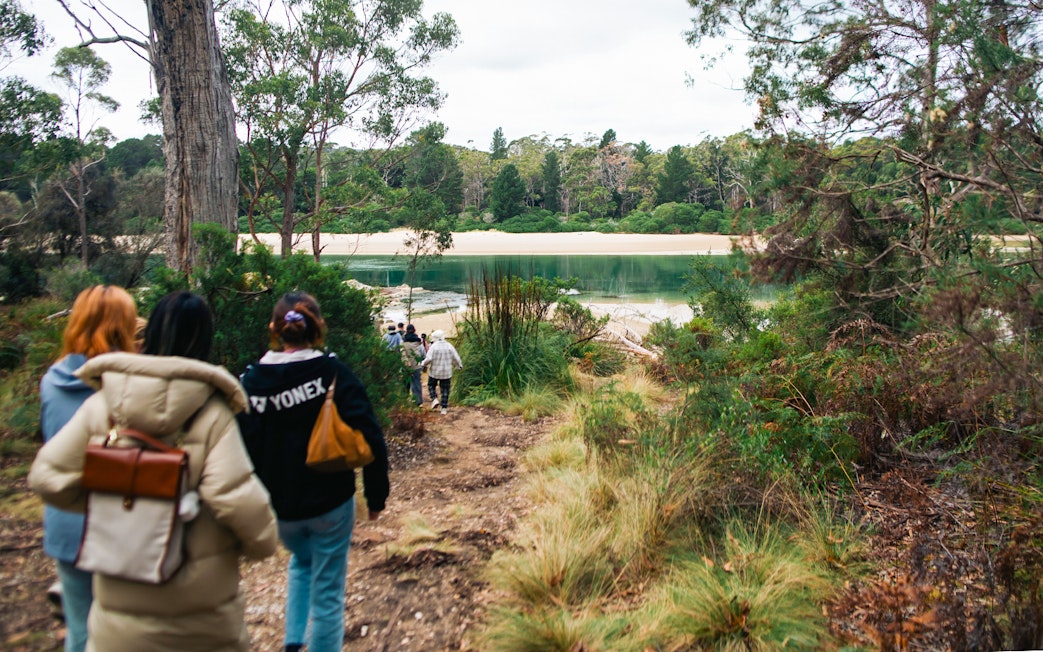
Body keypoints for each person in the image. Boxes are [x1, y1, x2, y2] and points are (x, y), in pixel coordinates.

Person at [30, 291, 279, 652]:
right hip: (202, 621)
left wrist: (113, 503)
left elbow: (46, 477)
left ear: (152, 333)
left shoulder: (103, 403)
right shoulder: (212, 413)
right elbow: (234, 498)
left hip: (118, 619)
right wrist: (262, 543)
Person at [237, 292, 390, 652]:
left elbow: (240, 447)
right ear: (318, 328)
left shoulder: (251, 381)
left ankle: (293, 642)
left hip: (279, 510)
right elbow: (371, 435)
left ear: (274, 329)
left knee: (302, 563)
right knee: (328, 594)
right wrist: (375, 495)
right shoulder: (332, 373)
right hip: (330, 503)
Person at [38, 285, 138, 652]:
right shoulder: (128, 383)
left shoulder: (51, 380)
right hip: (116, 521)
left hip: (65, 517)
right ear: (123, 327)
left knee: (80, 630)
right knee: (122, 632)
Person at [419, 329, 463, 415]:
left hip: (434, 372)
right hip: (446, 372)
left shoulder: (433, 347)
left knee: (431, 385)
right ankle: (444, 408)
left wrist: (422, 364)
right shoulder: (449, 346)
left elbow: (429, 358)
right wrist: (459, 366)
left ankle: (434, 399)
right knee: (445, 390)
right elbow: (456, 357)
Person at [401, 324, 425, 406]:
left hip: (407, 366)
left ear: (406, 331)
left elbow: (402, 353)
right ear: (414, 330)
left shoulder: (404, 342)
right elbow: (422, 353)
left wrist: (406, 362)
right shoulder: (418, 342)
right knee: (417, 383)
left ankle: (404, 400)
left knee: (406, 383)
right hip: (417, 365)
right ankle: (418, 402)